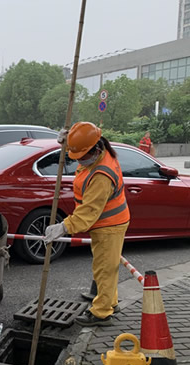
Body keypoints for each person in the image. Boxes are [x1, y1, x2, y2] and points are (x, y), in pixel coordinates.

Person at [44, 121, 130, 326]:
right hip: (106, 223)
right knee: (105, 265)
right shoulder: (99, 153)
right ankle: (110, 300)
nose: (79, 161)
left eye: (81, 155)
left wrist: (63, 227)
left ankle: (102, 312)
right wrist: (67, 143)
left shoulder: (101, 175)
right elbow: (83, 139)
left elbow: (88, 213)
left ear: (94, 149)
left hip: (109, 224)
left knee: (105, 268)